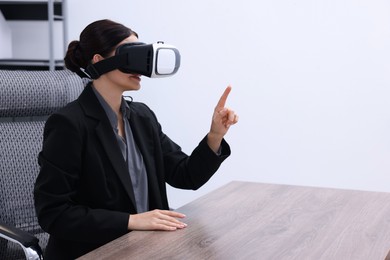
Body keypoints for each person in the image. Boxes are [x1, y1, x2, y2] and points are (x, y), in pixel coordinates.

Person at [34, 19, 238, 259]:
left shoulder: (142, 117)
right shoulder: (70, 123)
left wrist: (215, 135)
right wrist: (131, 221)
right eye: (131, 55)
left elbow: (186, 175)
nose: (140, 68)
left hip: (146, 248)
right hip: (95, 252)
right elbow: (54, 213)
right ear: (99, 61)